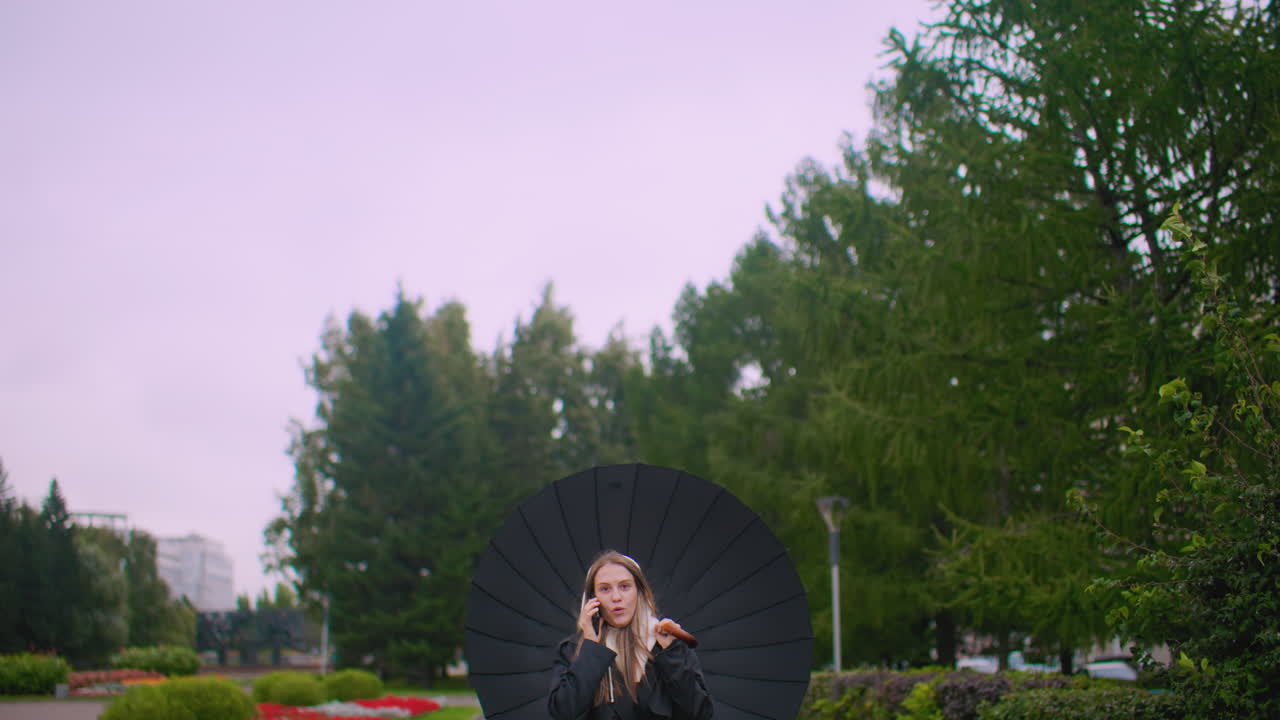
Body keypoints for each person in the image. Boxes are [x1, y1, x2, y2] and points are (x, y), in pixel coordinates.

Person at [548, 550, 714, 720]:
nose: (616, 597)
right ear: (592, 599)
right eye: (605, 589)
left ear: (639, 591)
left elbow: (701, 713)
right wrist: (590, 649)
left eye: (625, 586)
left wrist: (671, 654)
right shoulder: (575, 649)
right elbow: (563, 712)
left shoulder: (668, 643)